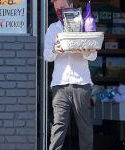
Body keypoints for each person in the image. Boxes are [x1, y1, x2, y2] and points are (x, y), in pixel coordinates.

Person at [44, 0, 97, 150]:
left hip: (81, 83)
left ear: (71, 6)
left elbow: (93, 56)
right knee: (58, 125)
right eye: (56, 9)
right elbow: (47, 55)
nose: (59, 11)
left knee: (84, 126)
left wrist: (85, 50)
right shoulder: (53, 28)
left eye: (62, 8)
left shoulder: (85, 26)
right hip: (59, 84)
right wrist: (55, 49)